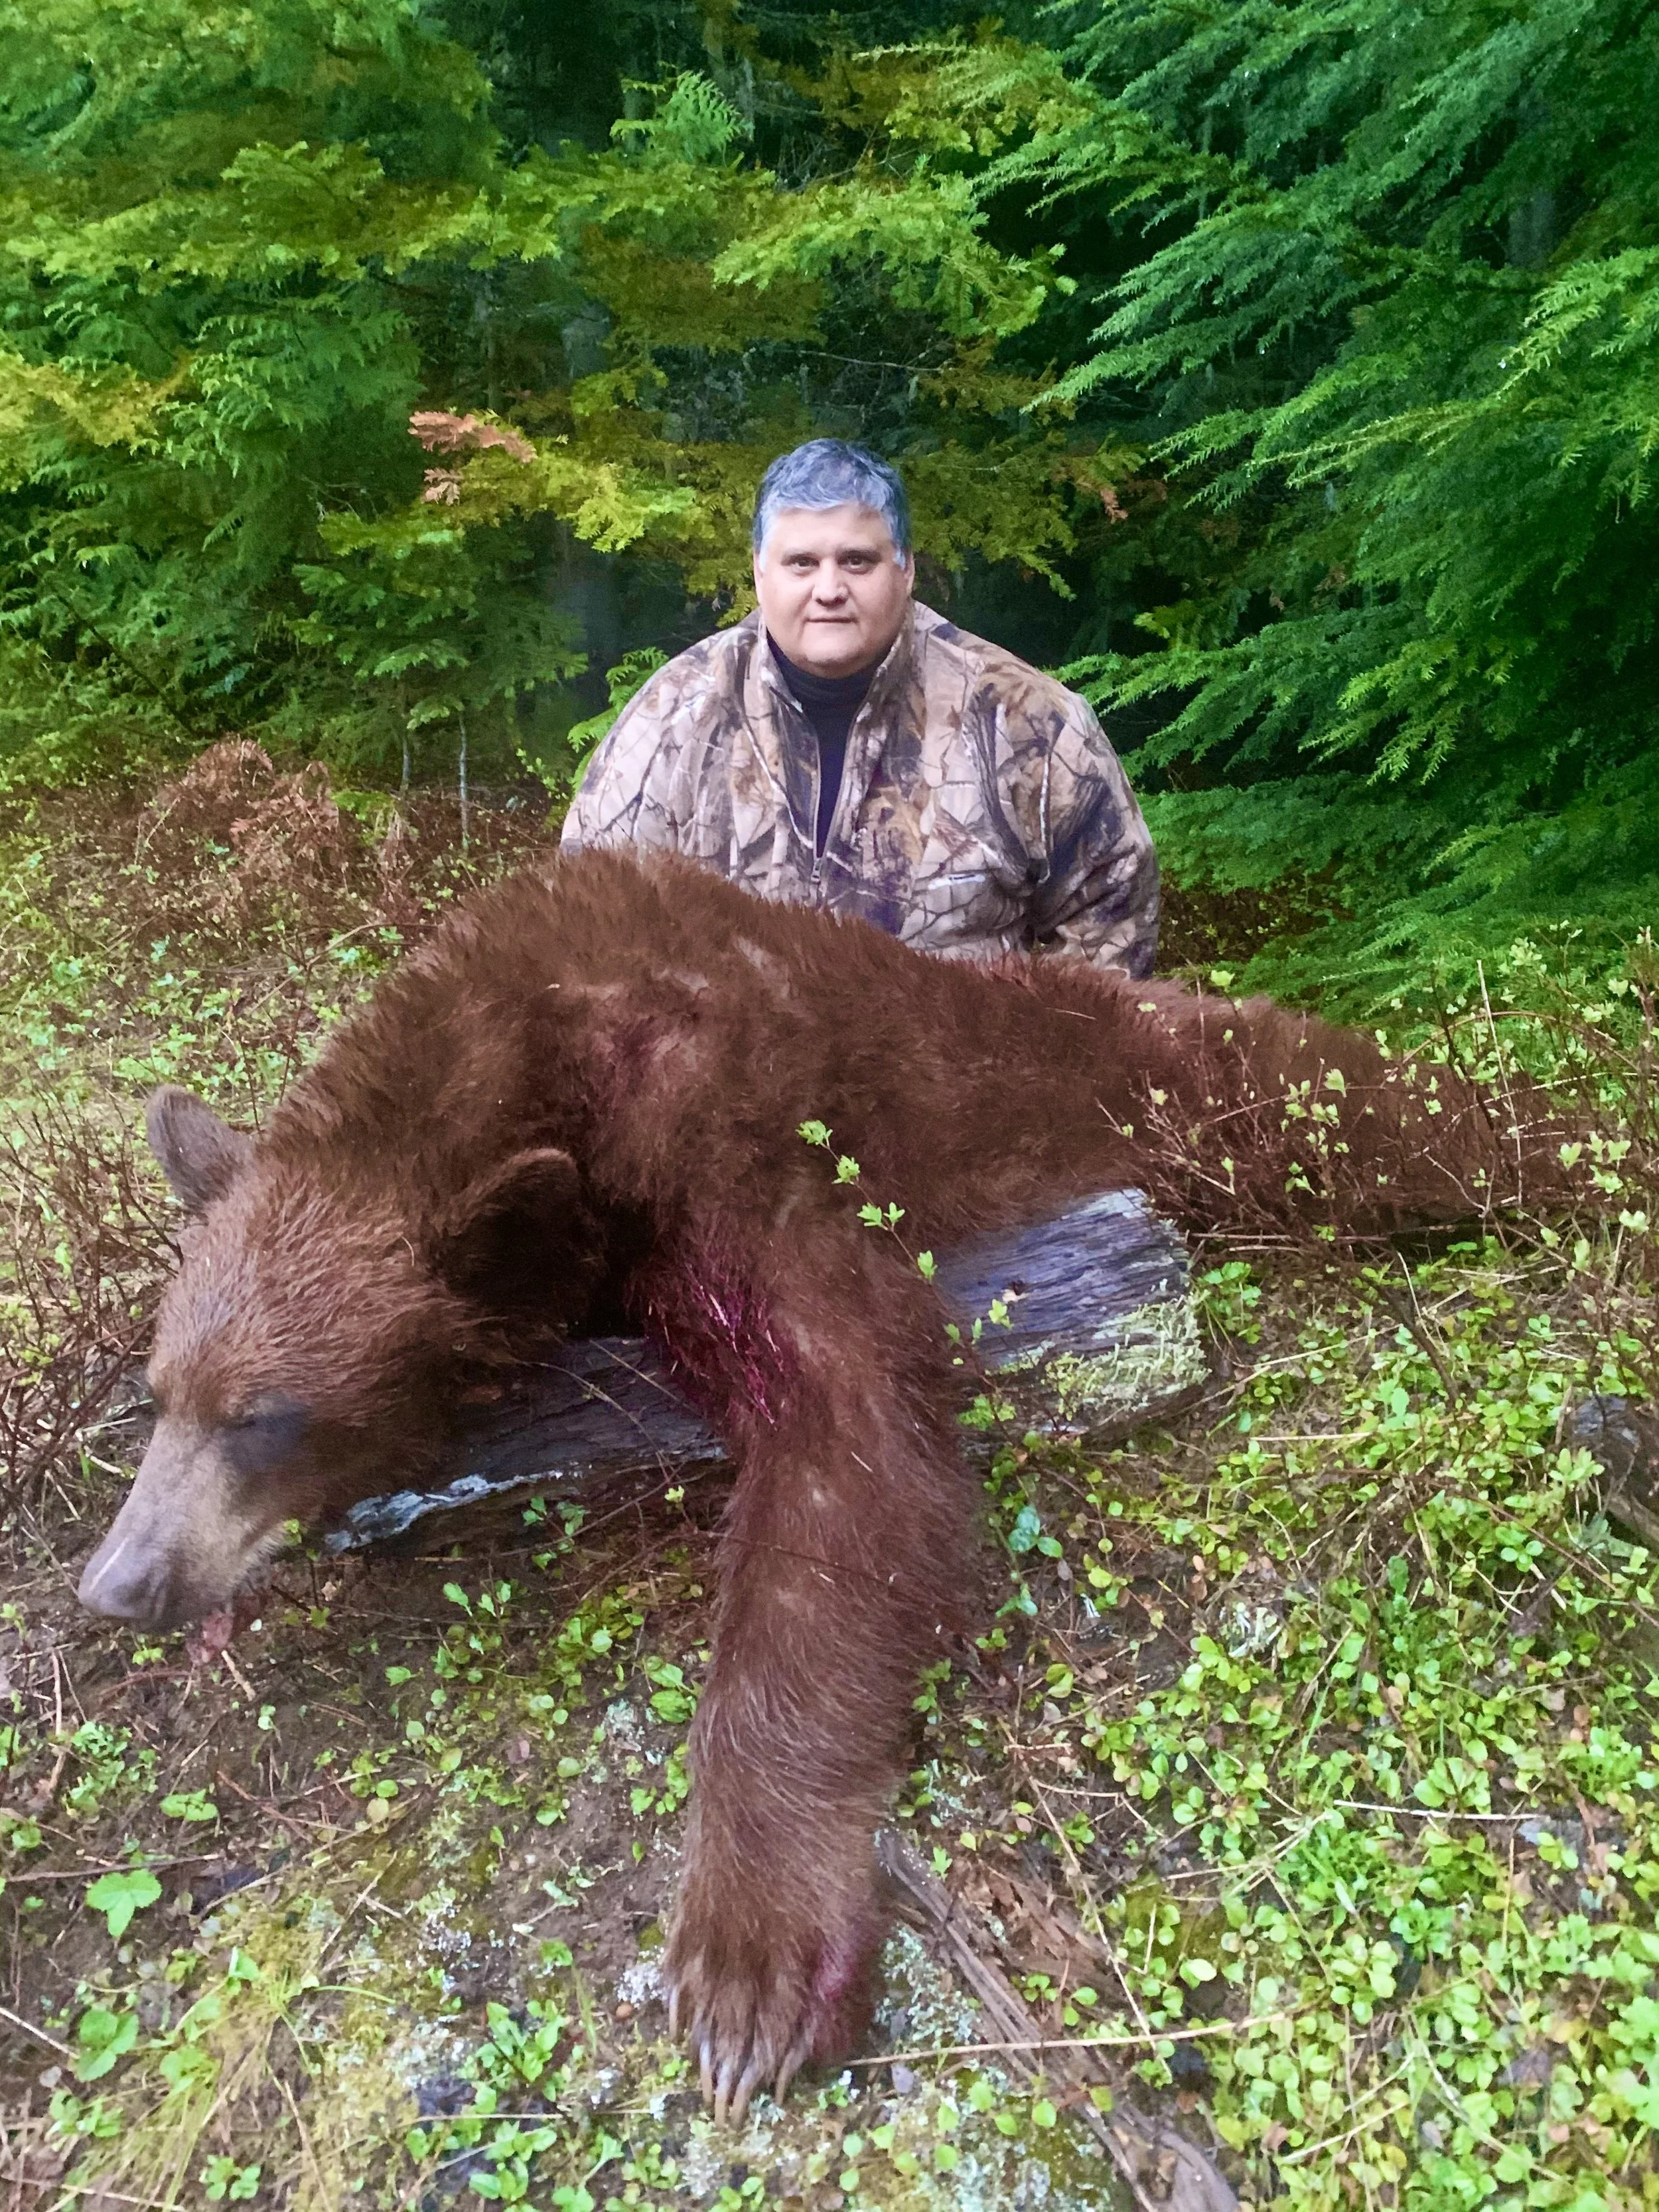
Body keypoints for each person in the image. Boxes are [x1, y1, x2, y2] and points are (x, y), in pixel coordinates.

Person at [561, 439, 1159, 972]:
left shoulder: (1025, 722)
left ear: (906, 569)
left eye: (857, 561)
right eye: (802, 563)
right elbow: (590, 924)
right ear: (760, 573)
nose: (828, 590)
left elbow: (1111, 923)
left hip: (956, 1086)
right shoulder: (672, 721)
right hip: (729, 1085)